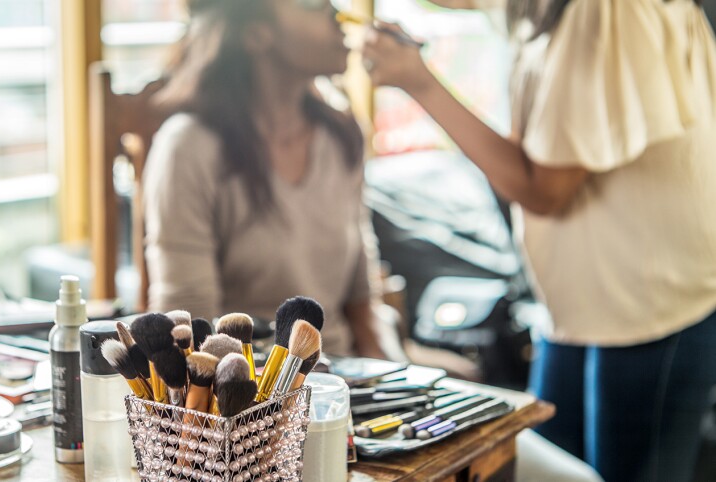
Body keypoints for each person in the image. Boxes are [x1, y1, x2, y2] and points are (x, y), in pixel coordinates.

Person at [362, 0, 716, 480]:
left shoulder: (610, 12)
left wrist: (419, 82)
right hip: (577, 307)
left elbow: (542, 189)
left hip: (647, 308)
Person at [142, 0, 387, 358]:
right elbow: (189, 333)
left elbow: (363, 308)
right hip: (244, 393)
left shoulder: (341, 134)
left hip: (344, 384)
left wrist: (400, 381)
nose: (338, 14)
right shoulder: (188, 148)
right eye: (314, 4)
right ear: (257, 35)